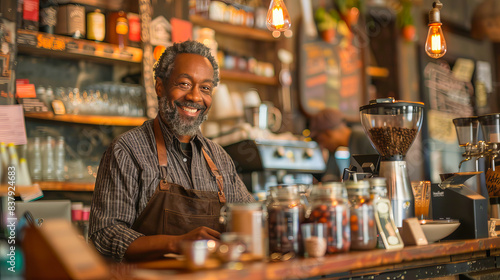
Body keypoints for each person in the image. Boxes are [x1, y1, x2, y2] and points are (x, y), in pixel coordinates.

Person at [89, 41, 254, 262]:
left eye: (205, 88)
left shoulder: (220, 158)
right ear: (160, 87)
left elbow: (249, 215)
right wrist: (177, 243)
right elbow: (105, 234)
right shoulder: (127, 151)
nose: (195, 97)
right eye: (184, 84)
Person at [310, 108, 377, 182]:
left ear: (328, 133)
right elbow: (329, 178)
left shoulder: (364, 139)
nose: (322, 146)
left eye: (320, 140)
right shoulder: (336, 150)